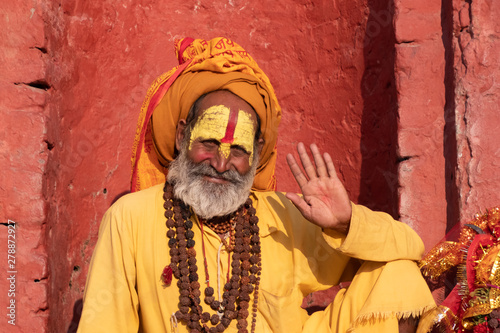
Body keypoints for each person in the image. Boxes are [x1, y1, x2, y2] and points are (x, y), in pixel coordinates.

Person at [77, 37, 435, 333]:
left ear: (257, 153)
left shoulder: (284, 214)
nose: (220, 164)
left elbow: (411, 247)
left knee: (400, 277)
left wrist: (344, 223)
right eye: (209, 144)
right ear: (182, 135)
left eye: (238, 151)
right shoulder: (132, 218)